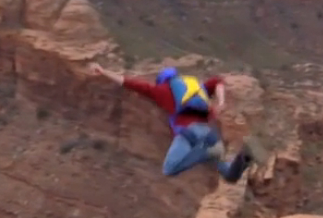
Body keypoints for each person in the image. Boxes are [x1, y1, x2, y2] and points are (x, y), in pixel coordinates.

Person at [90, 62, 254, 183]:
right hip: (210, 134)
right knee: (229, 175)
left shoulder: (160, 91)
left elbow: (129, 83)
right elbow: (218, 81)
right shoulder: (196, 87)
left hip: (189, 132)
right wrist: (221, 102)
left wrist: (103, 72)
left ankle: (205, 153)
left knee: (169, 169)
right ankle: (244, 156)